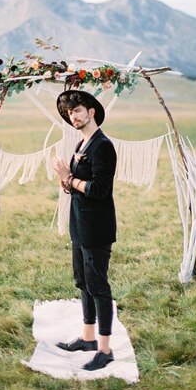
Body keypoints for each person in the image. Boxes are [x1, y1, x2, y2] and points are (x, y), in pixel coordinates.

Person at [52, 89, 117, 371]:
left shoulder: (102, 146)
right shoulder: (81, 146)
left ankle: (104, 349)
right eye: (69, 113)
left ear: (91, 111)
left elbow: (99, 190)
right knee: (82, 281)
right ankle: (88, 338)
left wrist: (71, 179)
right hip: (79, 225)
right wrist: (64, 180)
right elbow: (76, 186)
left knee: (99, 286)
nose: (73, 117)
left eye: (77, 111)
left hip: (97, 228)